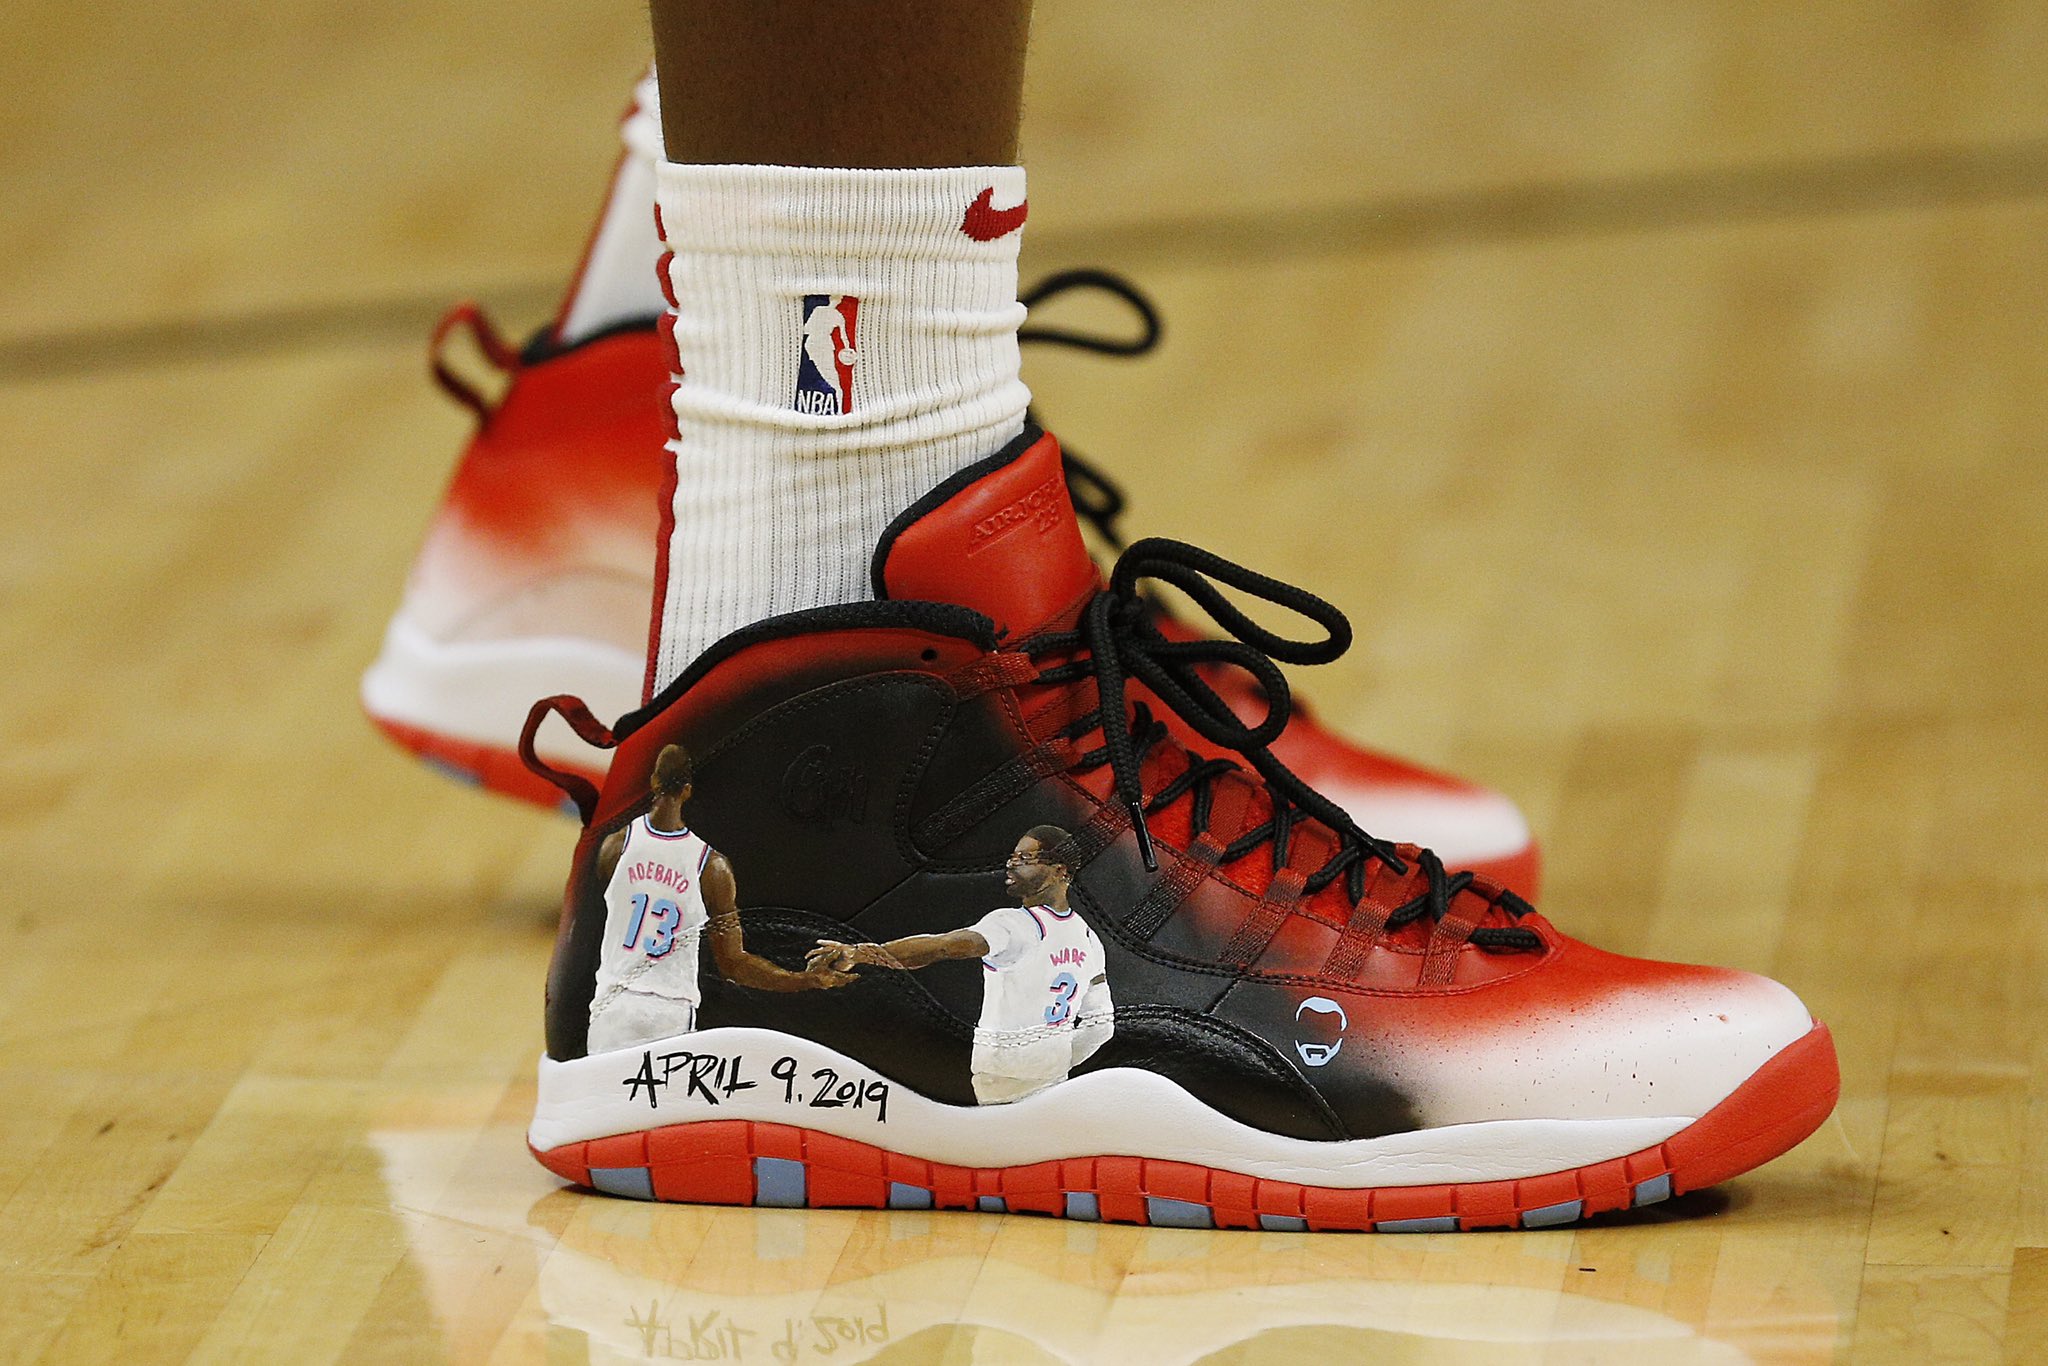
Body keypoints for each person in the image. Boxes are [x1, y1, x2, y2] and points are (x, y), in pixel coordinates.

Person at [808, 826, 1112, 1105]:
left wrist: (861, 953)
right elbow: (1100, 1028)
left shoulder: (1015, 924)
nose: (1010, 863)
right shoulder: (1088, 938)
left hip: (1002, 1077)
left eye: (1024, 858)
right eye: (1012, 856)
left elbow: (943, 946)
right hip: (1053, 1079)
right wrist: (1052, 1060)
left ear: (1059, 870)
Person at [588, 742, 850, 1052]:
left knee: (605, 1096)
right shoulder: (711, 867)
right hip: (670, 1011)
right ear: (687, 790)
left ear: (654, 782)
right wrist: (802, 979)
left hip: (614, 1003)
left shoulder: (615, 847)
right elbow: (733, 963)